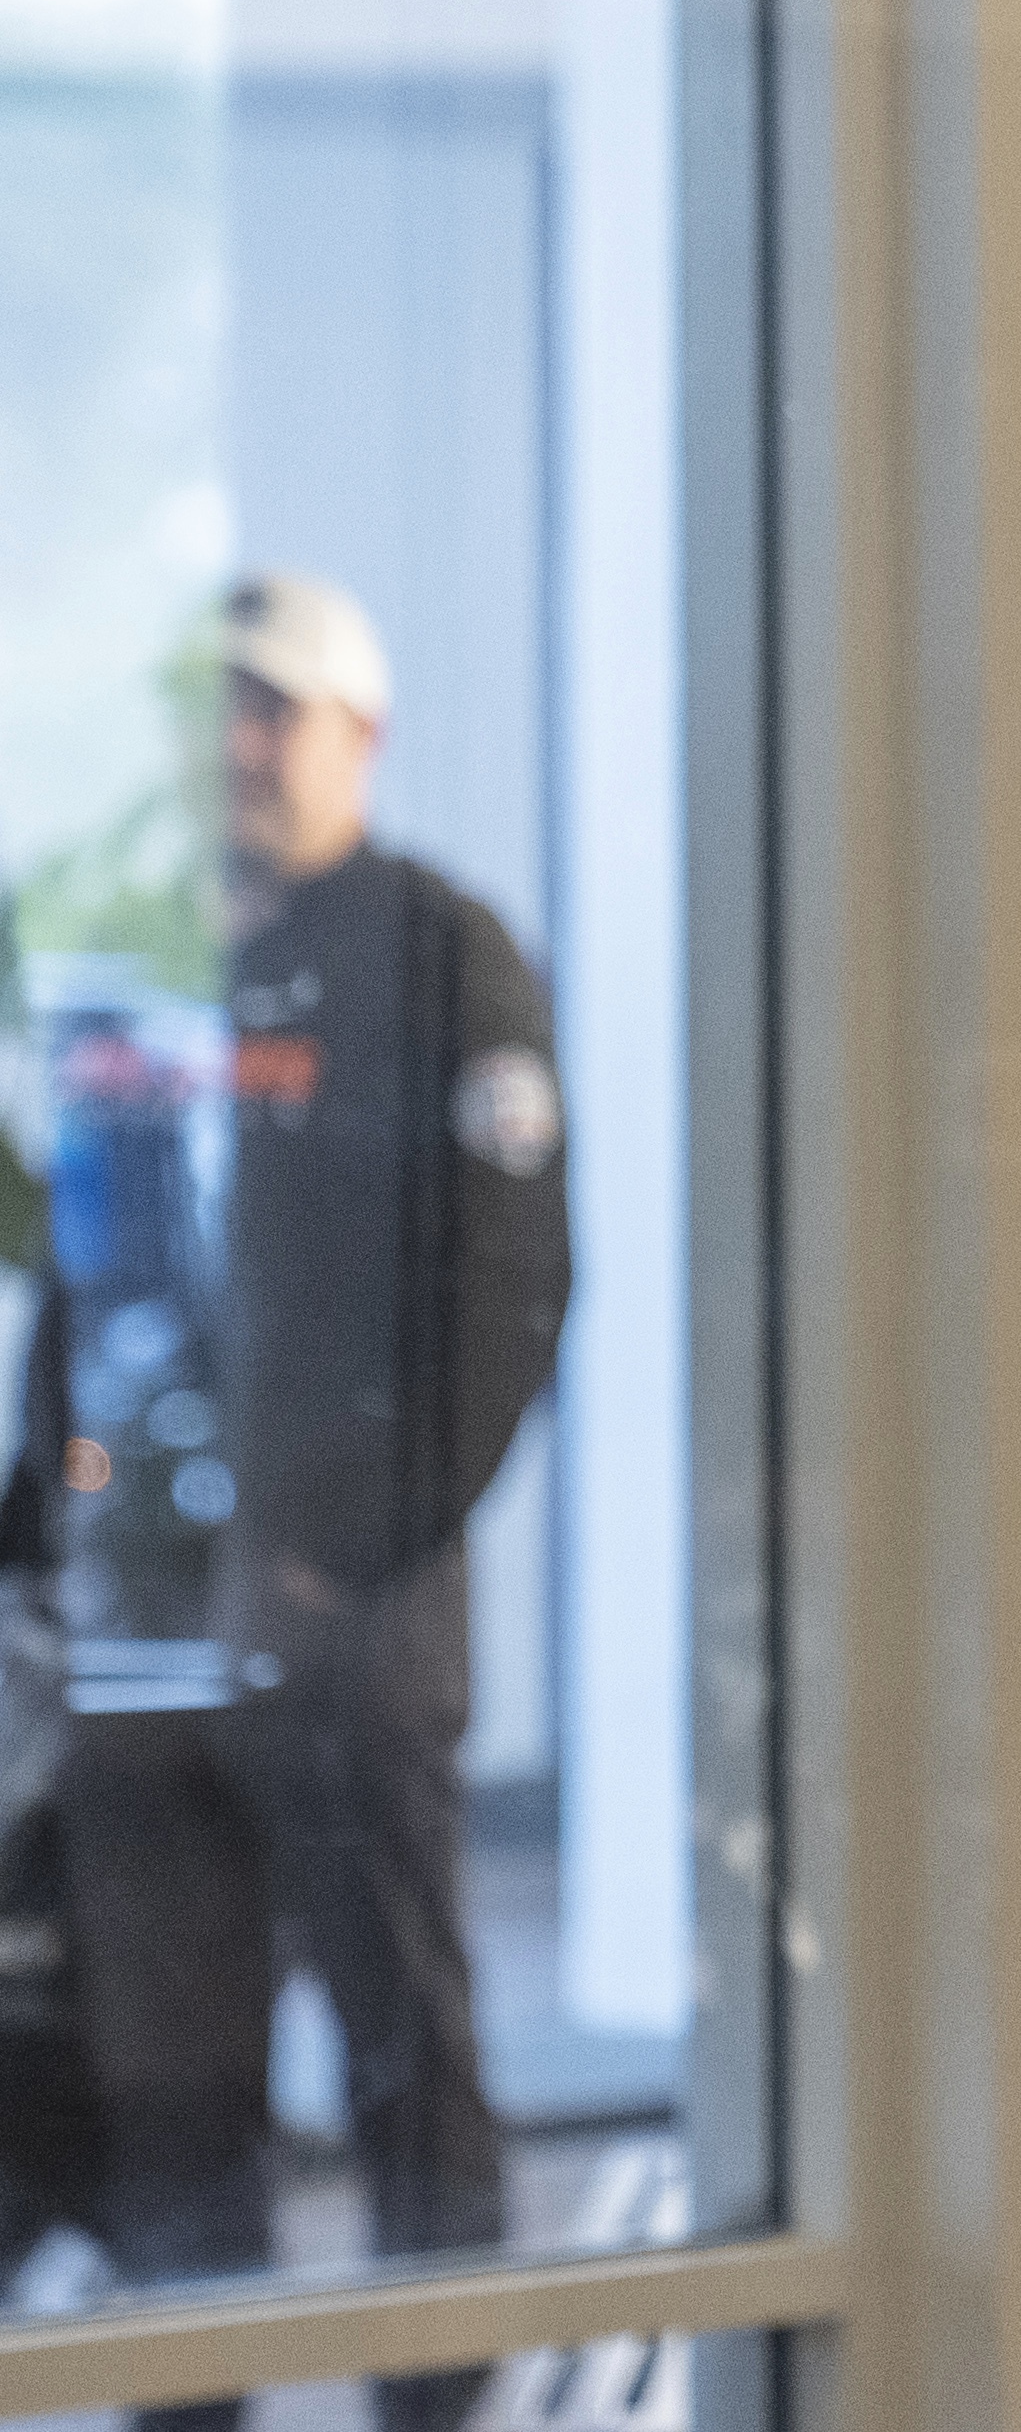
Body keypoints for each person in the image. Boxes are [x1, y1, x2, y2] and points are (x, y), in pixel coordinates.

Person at [52, 570, 569, 2432]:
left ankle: (442, 2402)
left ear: (364, 734)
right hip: (182, 1626)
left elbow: (515, 1296)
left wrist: (341, 1548)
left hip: (363, 1606)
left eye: (279, 711)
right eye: (221, 710)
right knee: (182, 2054)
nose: (241, 747)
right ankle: (194, 2395)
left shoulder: (441, 955)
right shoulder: (176, 961)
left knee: (399, 2048)